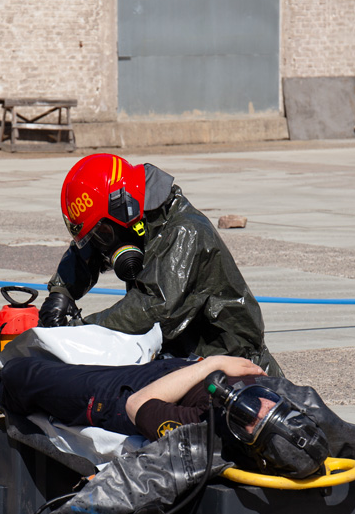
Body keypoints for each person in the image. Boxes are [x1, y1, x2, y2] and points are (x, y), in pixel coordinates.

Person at [38, 153, 283, 377]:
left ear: (125, 207)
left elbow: (153, 306)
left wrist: (81, 331)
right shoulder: (136, 219)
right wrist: (61, 293)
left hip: (233, 369)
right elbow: (90, 248)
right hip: (180, 358)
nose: (105, 247)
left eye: (104, 233)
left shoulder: (185, 232)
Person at [0, 352, 327, 478]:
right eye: (267, 408)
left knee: (30, 376)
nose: (255, 408)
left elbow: (138, 406)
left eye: (251, 421)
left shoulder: (202, 431)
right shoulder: (282, 409)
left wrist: (208, 367)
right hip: (178, 366)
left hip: (128, 394)